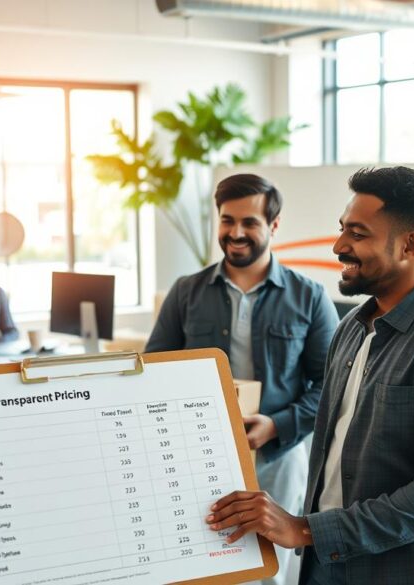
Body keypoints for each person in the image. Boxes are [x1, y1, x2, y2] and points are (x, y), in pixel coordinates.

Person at [207, 166, 414, 584]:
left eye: (358, 234)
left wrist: (306, 528)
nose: (338, 245)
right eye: (342, 229)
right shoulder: (352, 327)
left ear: (409, 244)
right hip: (327, 564)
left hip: (404, 573)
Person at [146, 173, 338, 585]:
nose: (236, 233)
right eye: (227, 220)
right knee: (205, 562)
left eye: (249, 222)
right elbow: (153, 370)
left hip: (277, 456)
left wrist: (277, 425)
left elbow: (332, 387)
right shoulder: (186, 292)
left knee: (270, 569)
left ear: (273, 225)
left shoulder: (310, 296)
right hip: (197, 454)